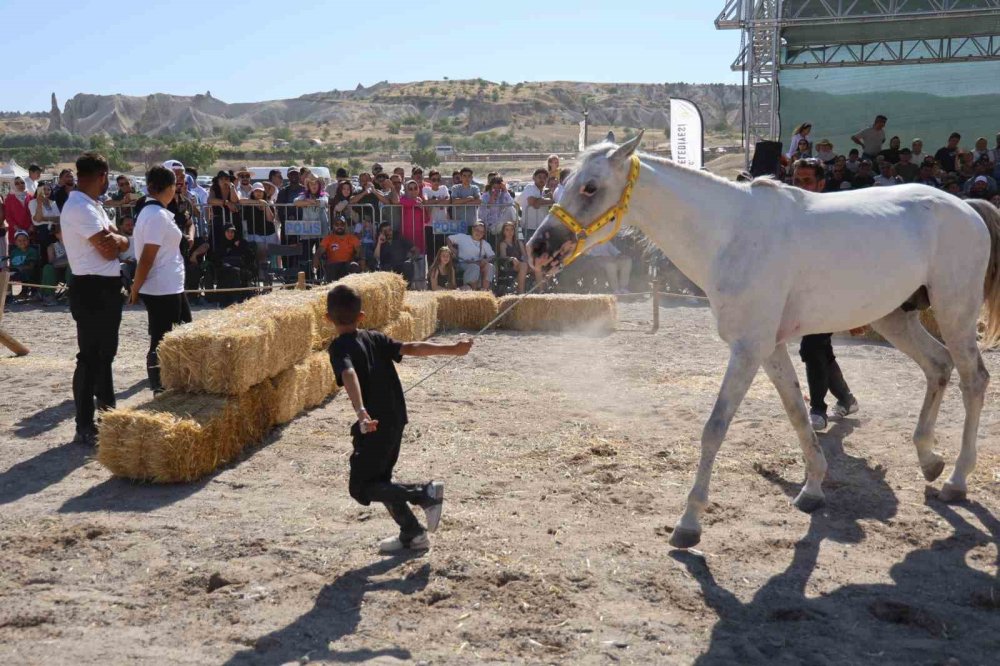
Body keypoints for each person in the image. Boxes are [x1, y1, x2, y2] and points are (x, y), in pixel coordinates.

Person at [327, 283, 472, 553]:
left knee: (362, 486)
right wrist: (453, 348)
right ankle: (413, 533)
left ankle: (423, 493)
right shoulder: (375, 337)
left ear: (327, 318)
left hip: (375, 424)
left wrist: (360, 412)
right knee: (381, 481)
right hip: (396, 418)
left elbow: (349, 374)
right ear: (361, 316)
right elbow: (413, 347)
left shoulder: (338, 347)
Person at [60, 152, 130, 446]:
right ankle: (85, 424)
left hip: (104, 286)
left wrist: (121, 241)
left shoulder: (91, 205)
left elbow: (120, 240)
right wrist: (121, 241)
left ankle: (107, 413)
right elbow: (110, 248)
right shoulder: (80, 207)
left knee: (105, 355)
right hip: (92, 287)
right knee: (90, 358)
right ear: (101, 175)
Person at [791, 158, 859, 431]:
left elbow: (848, 259)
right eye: (797, 180)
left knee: (811, 347)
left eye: (807, 181)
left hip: (831, 294)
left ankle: (818, 409)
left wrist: (854, 306)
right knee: (820, 351)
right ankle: (846, 398)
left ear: (821, 183)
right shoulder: (794, 212)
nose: (801, 185)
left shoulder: (834, 215)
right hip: (805, 295)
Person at [129, 166, 191, 394]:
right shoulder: (155, 215)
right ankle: (158, 384)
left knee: (182, 330)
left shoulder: (156, 212)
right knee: (161, 337)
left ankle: (171, 379)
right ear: (170, 188)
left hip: (170, 284)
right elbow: (146, 258)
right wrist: (135, 287)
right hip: (161, 286)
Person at [497, 220, 541, 294]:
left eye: (512, 229)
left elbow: (525, 255)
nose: (510, 232)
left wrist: (530, 262)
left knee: (537, 265)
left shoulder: (519, 242)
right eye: (507, 230)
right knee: (523, 265)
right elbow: (503, 257)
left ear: (514, 231)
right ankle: (521, 292)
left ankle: (541, 291)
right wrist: (511, 258)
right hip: (510, 264)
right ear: (503, 232)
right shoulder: (503, 243)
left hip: (522, 264)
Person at [448, 221, 495, 291]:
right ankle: (471, 289)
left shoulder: (485, 244)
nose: (479, 233)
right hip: (463, 263)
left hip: (478, 264)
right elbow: (449, 238)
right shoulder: (463, 237)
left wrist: (485, 260)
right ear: (473, 229)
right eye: (477, 230)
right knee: (474, 267)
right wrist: (452, 249)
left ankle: (485, 290)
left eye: (481, 232)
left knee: (490, 266)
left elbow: (492, 256)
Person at [314, 215, 361, 282]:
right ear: (333, 226)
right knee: (331, 268)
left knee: (354, 265)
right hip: (333, 265)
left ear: (345, 226)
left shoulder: (352, 238)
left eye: (342, 224)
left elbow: (360, 252)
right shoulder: (328, 238)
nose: (339, 226)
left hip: (347, 264)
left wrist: (361, 260)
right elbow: (319, 252)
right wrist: (316, 260)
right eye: (337, 224)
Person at [41, 225, 72, 305]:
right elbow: (52, 262)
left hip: (72, 271)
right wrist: (68, 261)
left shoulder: (75, 244)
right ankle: (49, 296)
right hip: (58, 271)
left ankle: (71, 296)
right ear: (57, 235)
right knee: (48, 268)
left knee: (71, 267)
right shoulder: (52, 247)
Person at [399, 180, 429, 255]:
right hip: (407, 233)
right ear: (406, 190)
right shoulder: (403, 198)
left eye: (415, 188)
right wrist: (415, 203)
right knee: (408, 257)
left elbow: (426, 219)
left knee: (420, 258)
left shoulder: (420, 200)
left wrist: (423, 210)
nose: (413, 191)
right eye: (410, 189)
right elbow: (402, 202)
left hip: (419, 233)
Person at [3, 176, 32, 244]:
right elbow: (8, 216)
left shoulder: (30, 197)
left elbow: (33, 213)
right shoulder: (9, 199)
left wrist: (31, 226)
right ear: (13, 185)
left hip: (29, 231)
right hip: (15, 231)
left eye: (22, 182)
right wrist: (17, 229)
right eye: (17, 183)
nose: (20, 185)